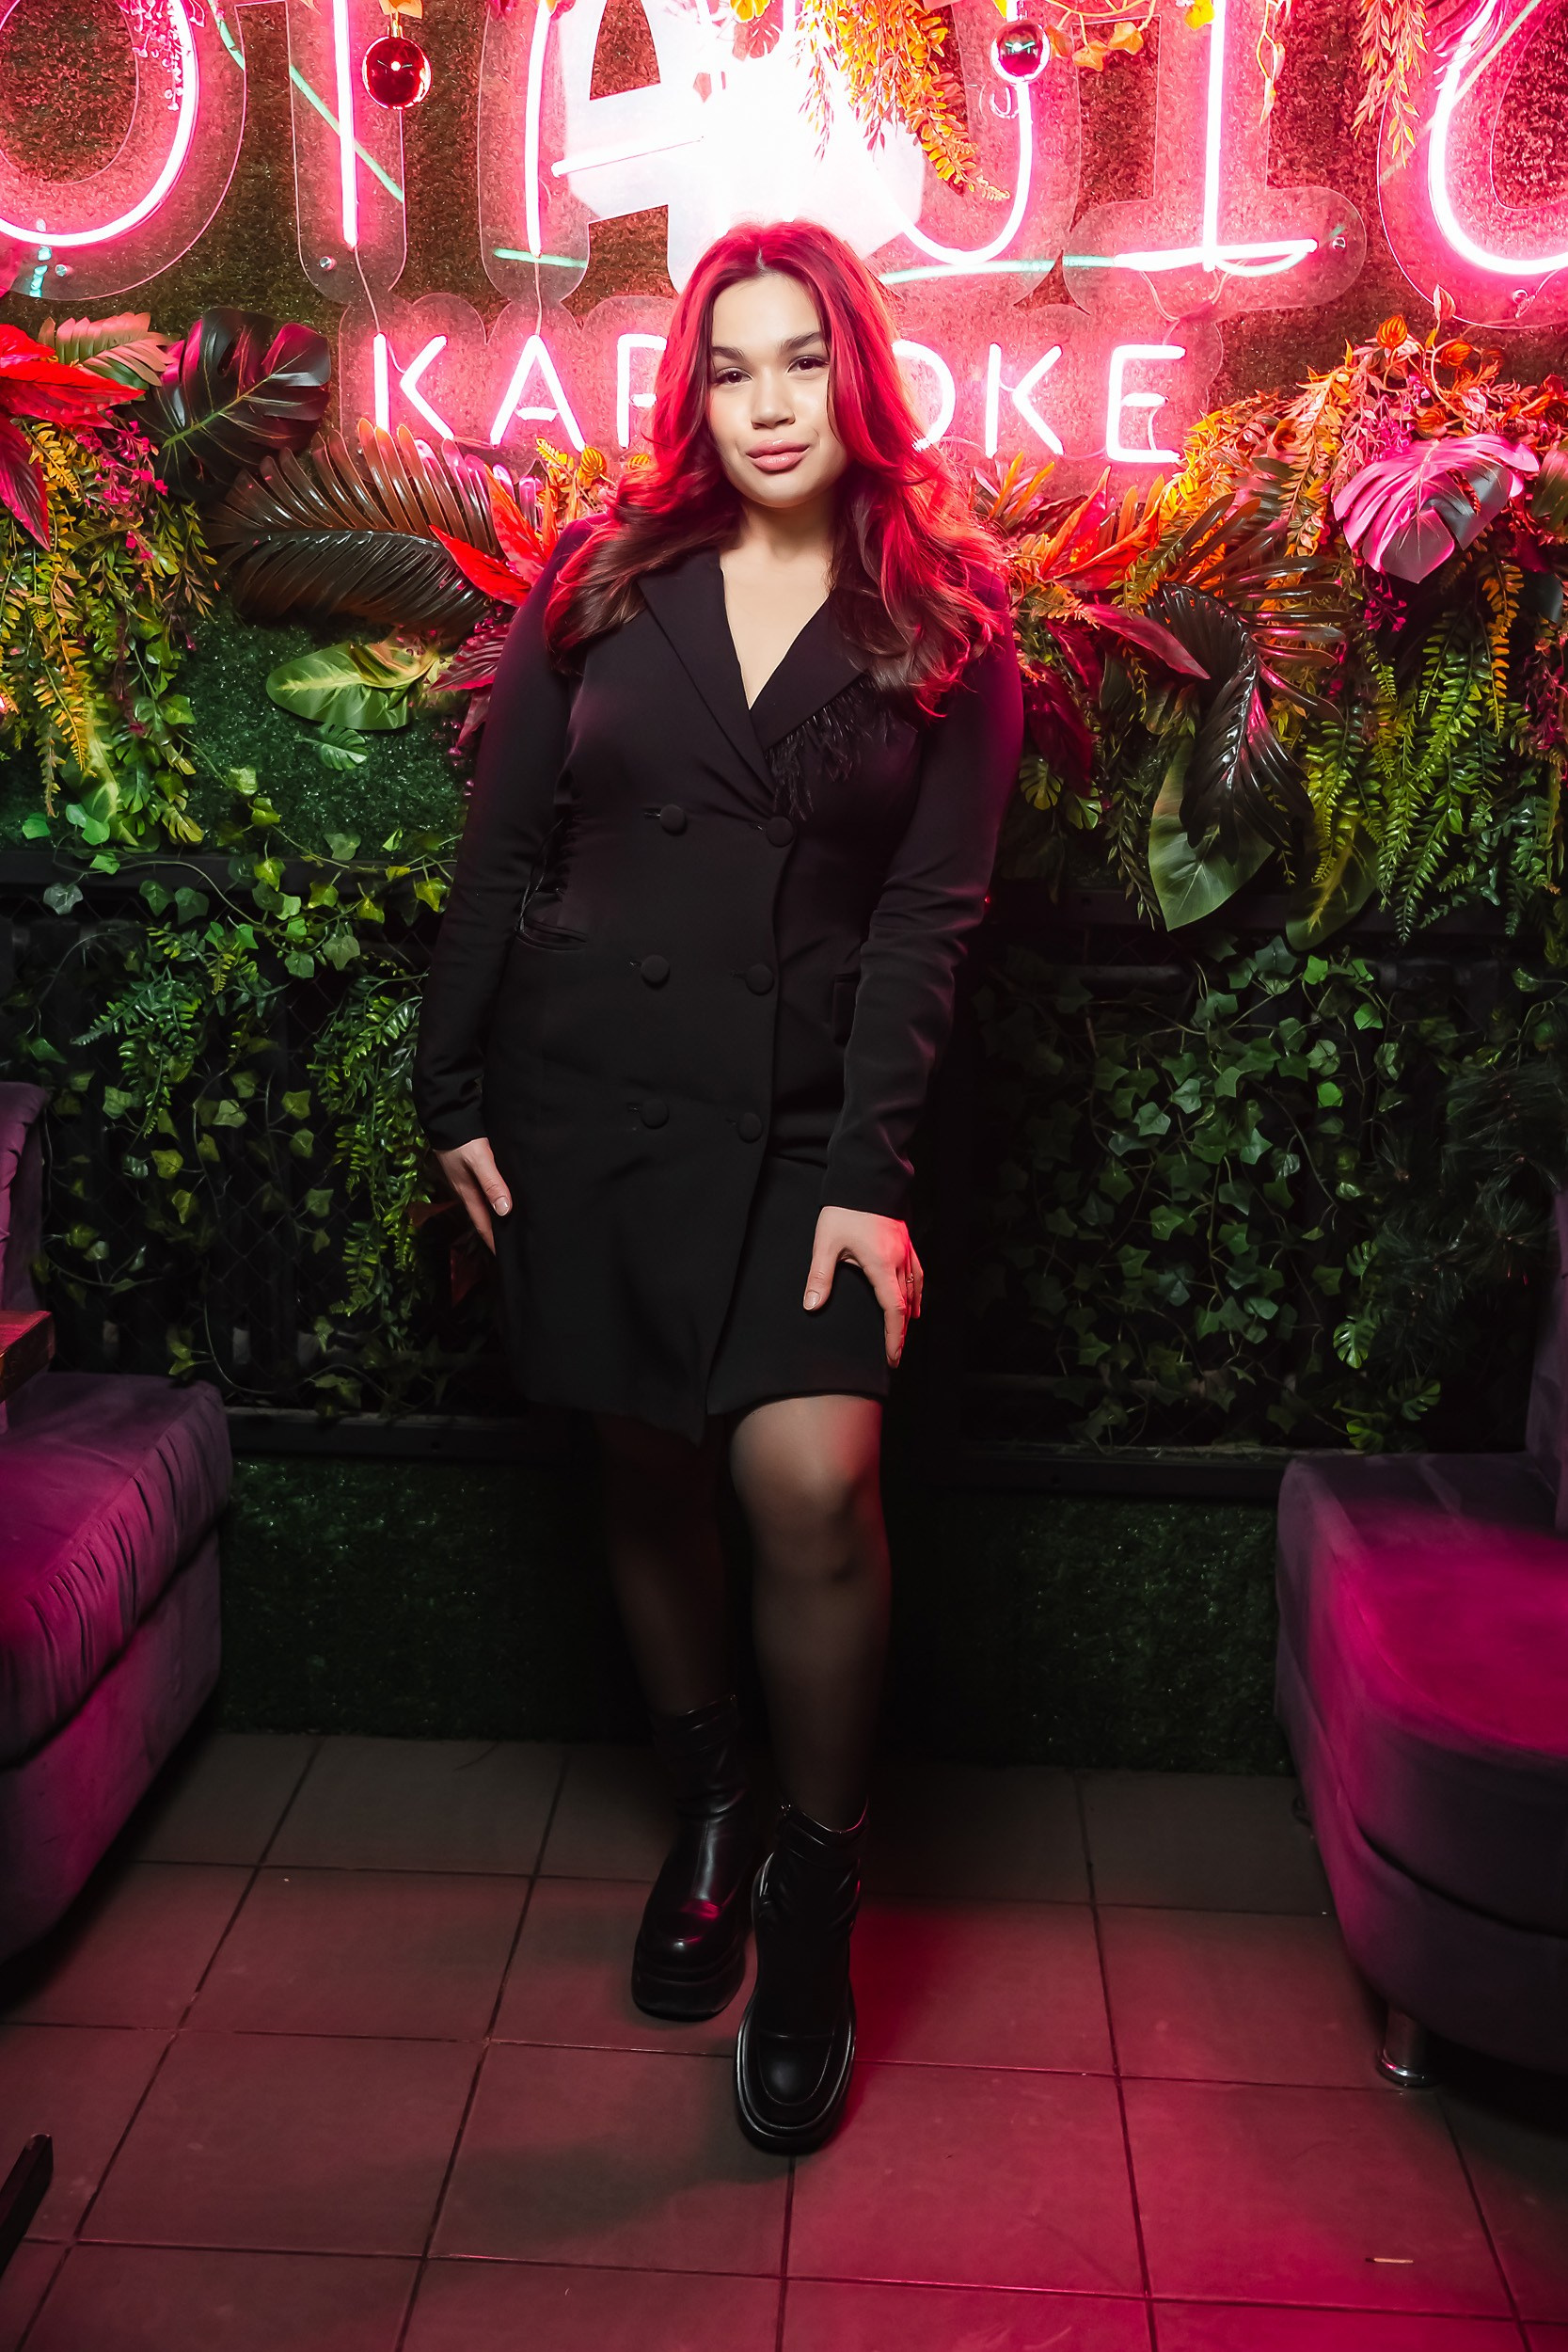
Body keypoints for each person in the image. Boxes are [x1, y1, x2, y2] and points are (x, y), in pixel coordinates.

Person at [412, 217, 1024, 2153]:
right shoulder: (605, 579)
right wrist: (448, 1086)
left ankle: (815, 1887)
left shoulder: (947, 619)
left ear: (859, 377)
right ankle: (712, 1804)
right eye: (732, 366)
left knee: (812, 1478)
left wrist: (872, 1174)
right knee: (647, 1468)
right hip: (587, 1103)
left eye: (803, 361)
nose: (770, 404)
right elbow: (505, 845)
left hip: (804, 1132)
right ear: (695, 392)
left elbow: (929, 922)